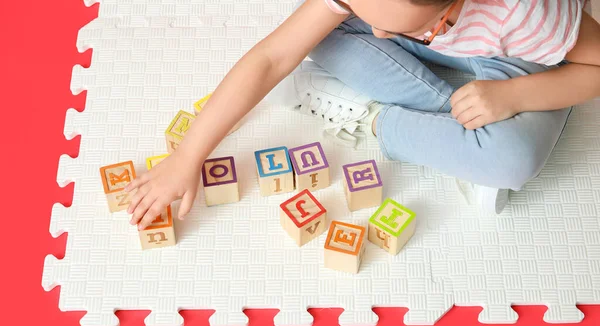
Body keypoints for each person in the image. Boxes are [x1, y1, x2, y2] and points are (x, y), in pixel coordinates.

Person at [126, 0, 600, 229]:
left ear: (441, 17)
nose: (373, 30)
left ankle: (383, 118)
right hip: (453, 38)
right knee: (318, 34)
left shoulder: (529, 14)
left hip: (508, 58)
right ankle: (455, 135)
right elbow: (272, 58)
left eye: (387, 27)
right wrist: (187, 157)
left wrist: (514, 97)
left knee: (511, 160)